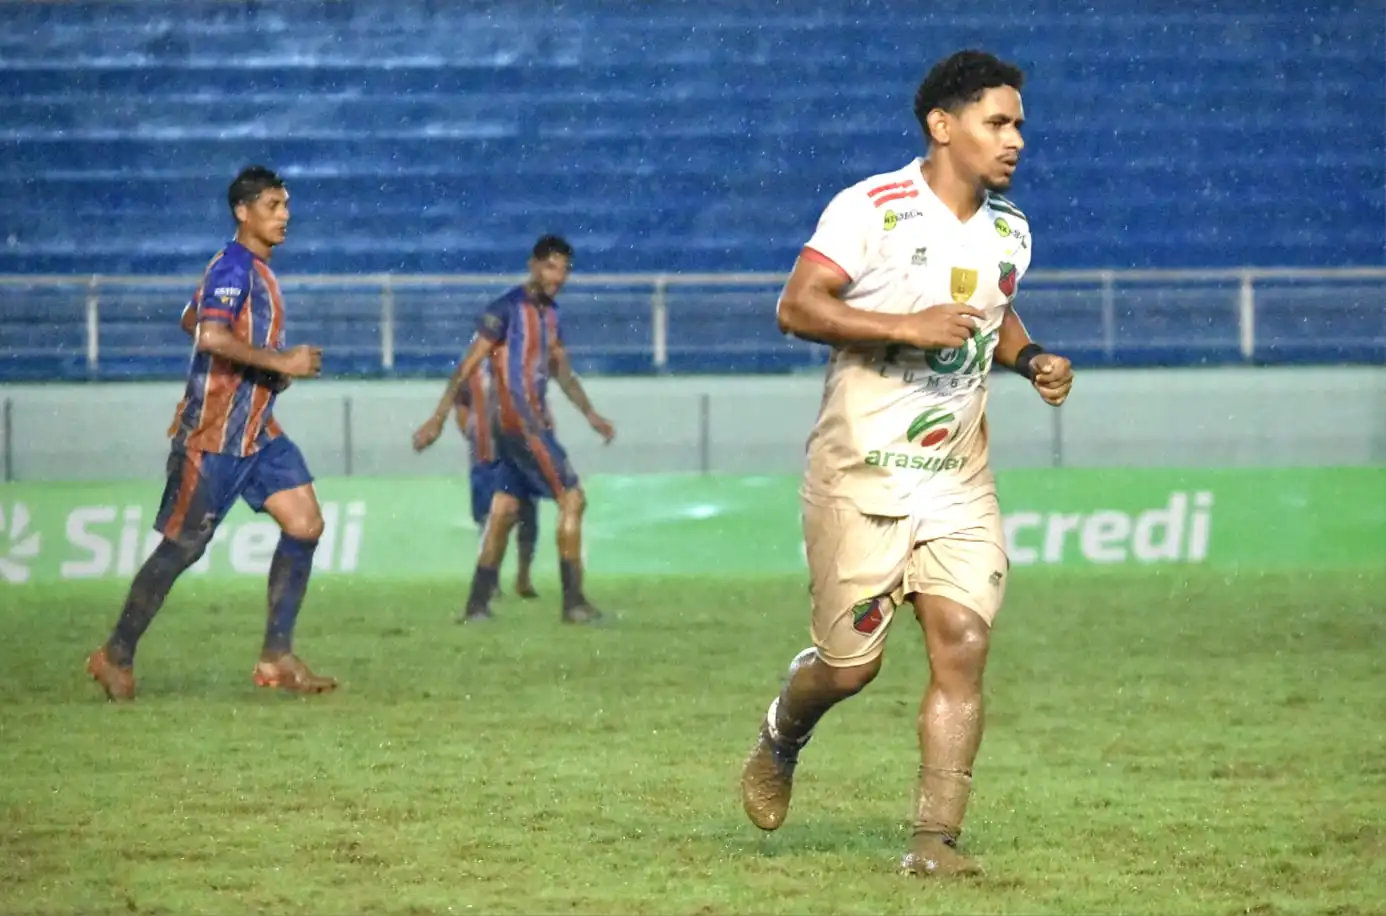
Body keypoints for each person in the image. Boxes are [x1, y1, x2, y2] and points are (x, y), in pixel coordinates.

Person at [738, 50, 1075, 877]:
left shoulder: (1011, 229)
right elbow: (797, 306)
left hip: (956, 476)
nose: (1016, 140)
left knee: (961, 638)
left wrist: (1030, 360)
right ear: (942, 125)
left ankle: (933, 843)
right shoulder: (873, 209)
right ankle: (785, 729)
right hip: (861, 474)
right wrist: (905, 326)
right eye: (998, 122)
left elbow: (994, 315)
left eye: (1020, 125)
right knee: (852, 667)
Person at [86, 164, 338, 701]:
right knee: (182, 549)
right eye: (273, 205)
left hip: (257, 431)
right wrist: (279, 361)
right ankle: (115, 654)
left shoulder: (253, 270)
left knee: (306, 524)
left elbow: (190, 319)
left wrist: (266, 372)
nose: (285, 215)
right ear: (242, 212)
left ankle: (277, 656)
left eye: (286, 204)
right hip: (214, 434)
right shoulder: (236, 267)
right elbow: (207, 334)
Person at [412, 234, 615, 625]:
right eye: (552, 266)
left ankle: (475, 607)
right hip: (523, 424)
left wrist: (591, 415)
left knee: (504, 509)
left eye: (565, 269)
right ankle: (574, 603)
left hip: (514, 429)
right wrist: (438, 417)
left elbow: (563, 373)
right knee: (572, 499)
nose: (559, 276)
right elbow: (467, 366)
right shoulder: (505, 310)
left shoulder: (550, 316)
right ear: (534, 265)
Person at [452, 356, 540, 601]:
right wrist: (472, 432)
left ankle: (523, 575)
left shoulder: (519, 363)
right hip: (485, 456)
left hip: (519, 453)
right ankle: (491, 579)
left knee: (527, 515)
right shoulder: (471, 369)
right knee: (486, 518)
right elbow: (460, 404)